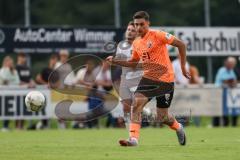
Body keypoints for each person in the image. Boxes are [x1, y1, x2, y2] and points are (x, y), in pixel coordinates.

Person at [106, 11, 190, 146]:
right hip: (148, 78)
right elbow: (133, 63)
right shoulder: (137, 43)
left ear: (148, 24)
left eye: (142, 24)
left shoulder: (158, 35)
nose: (139, 28)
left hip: (165, 80)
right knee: (136, 105)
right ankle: (133, 139)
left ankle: (178, 127)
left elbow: (181, 45)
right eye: (136, 25)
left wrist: (183, 68)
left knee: (162, 117)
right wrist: (116, 61)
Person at [107, 21, 143, 131]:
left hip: (139, 79)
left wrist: (131, 64)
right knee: (126, 107)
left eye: (133, 31)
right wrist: (113, 61)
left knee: (137, 108)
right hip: (126, 79)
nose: (130, 32)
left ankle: (135, 131)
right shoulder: (121, 46)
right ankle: (130, 132)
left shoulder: (142, 45)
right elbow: (119, 62)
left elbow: (142, 65)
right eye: (128, 30)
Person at [213, 57, 238, 127]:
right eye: (231, 64)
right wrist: (232, 82)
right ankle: (216, 125)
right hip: (218, 93)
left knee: (226, 111)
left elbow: (234, 81)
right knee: (217, 110)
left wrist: (233, 82)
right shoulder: (222, 70)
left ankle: (227, 125)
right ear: (226, 63)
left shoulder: (231, 71)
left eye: (233, 64)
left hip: (227, 94)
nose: (232, 66)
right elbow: (225, 81)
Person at [16, 53, 35, 129]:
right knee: (18, 109)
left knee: (24, 109)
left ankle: (22, 126)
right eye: (22, 57)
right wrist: (27, 84)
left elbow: (30, 78)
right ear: (19, 58)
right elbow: (17, 81)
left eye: (24, 57)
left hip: (27, 92)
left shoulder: (27, 68)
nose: (24, 59)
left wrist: (33, 83)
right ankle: (17, 126)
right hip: (18, 92)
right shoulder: (16, 68)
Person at [0, 56, 20, 131]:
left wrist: (10, 82)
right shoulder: (2, 70)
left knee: (12, 110)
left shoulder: (15, 71)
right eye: (9, 63)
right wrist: (7, 69)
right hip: (3, 94)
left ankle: (15, 126)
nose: (11, 64)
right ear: (5, 63)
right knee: (5, 110)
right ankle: (5, 126)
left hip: (14, 93)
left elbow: (17, 82)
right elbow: (5, 79)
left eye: (12, 63)